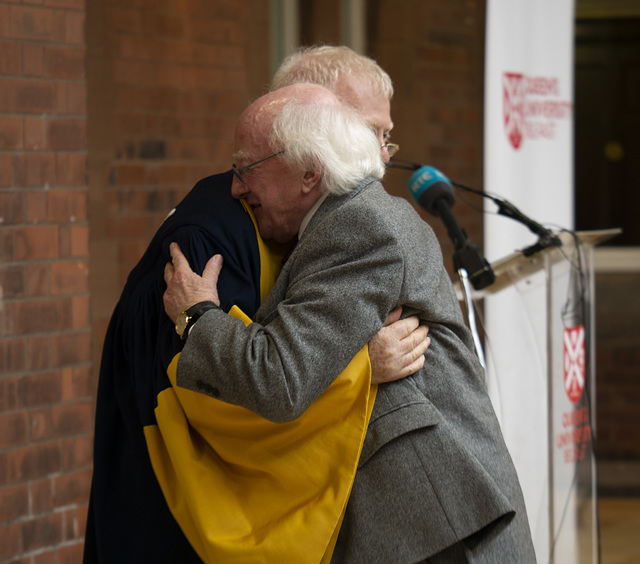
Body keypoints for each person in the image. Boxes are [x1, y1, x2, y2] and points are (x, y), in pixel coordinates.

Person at [164, 83, 537, 562]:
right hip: (430, 519)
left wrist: (197, 316)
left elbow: (280, 378)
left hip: (438, 525)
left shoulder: (358, 226)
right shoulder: (352, 216)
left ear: (307, 172)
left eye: (246, 167)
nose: (236, 185)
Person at [84, 49, 430, 562]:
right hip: (180, 522)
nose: (381, 155)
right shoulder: (212, 240)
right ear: (311, 130)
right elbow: (225, 398)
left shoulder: (308, 228)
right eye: (368, 130)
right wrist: (358, 367)